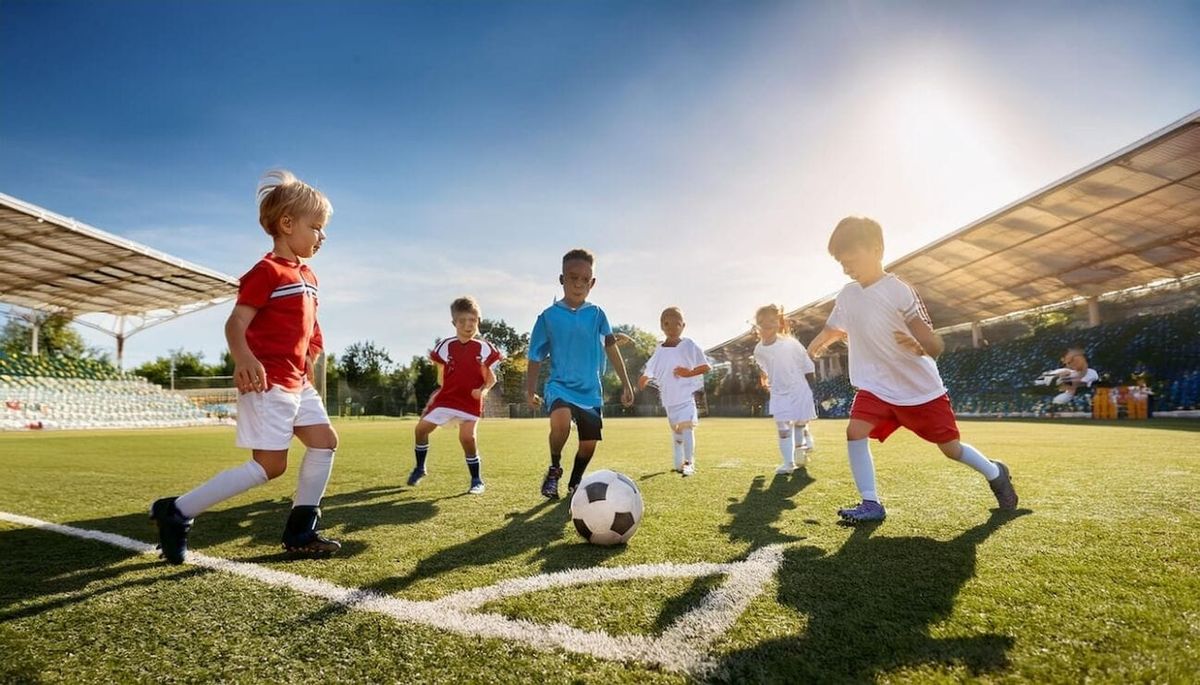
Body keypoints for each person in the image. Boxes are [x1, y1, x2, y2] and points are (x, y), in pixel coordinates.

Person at [149, 170, 340, 564]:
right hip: (268, 382)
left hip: (298, 382)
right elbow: (236, 322)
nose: (322, 237)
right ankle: (177, 511)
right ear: (287, 225)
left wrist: (314, 346)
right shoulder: (266, 271)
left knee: (325, 442)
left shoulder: (308, 275)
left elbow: (310, 323)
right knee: (269, 467)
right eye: (316, 227)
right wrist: (245, 358)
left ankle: (301, 530)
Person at [807, 216, 1018, 524]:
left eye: (852, 260)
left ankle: (995, 473)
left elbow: (934, 345)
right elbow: (832, 329)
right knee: (855, 432)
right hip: (876, 385)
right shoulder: (848, 294)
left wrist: (918, 345)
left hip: (918, 390)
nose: (847, 268)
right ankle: (871, 503)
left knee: (951, 449)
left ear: (876, 249)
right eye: (842, 263)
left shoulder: (899, 291)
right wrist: (811, 350)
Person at [525, 248, 635, 499]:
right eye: (573, 277)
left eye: (585, 279)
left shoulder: (597, 314)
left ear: (592, 283)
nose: (578, 284)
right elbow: (534, 357)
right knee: (561, 423)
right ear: (562, 279)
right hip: (560, 386)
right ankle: (554, 469)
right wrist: (529, 390)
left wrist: (626, 384)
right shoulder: (548, 317)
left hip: (590, 390)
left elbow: (611, 347)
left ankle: (575, 482)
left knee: (588, 444)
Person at [407, 296, 503, 494]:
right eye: (462, 321)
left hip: (470, 401)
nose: (468, 326)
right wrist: (436, 396)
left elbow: (491, 379)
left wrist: (482, 391)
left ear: (478, 321)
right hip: (447, 399)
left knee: (467, 438)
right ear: (454, 323)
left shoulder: (484, 348)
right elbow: (441, 377)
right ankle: (420, 468)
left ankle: (477, 480)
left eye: (473, 321)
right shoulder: (444, 346)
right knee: (420, 430)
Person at [638, 307, 711, 476]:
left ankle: (689, 463)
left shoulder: (688, 345)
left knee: (687, 428)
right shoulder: (659, 349)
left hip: (686, 396)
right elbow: (651, 369)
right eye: (667, 324)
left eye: (676, 324)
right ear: (661, 326)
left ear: (683, 326)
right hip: (669, 399)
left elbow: (706, 366)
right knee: (676, 431)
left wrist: (688, 373)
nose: (672, 328)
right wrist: (645, 378)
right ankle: (678, 463)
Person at [752, 304, 818, 475]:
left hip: (799, 389)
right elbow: (765, 369)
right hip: (779, 393)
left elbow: (807, 366)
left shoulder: (790, 343)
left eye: (772, 320)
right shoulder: (758, 350)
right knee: (783, 428)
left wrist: (811, 388)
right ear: (757, 324)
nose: (768, 325)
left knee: (798, 423)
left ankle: (803, 444)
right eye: (763, 321)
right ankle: (788, 463)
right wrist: (766, 380)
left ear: (778, 323)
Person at [1034, 347, 1099, 404]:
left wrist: (1065, 381)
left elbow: (1080, 383)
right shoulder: (1067, 370)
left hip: (1078, 392)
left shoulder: (1091, 373)